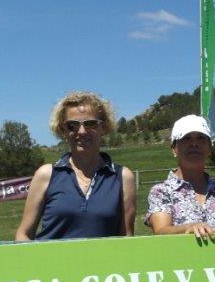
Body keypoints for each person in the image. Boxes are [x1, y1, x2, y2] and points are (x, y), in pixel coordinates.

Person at [15, 91, 135, 240]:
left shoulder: (123, 178)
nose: (82, 131)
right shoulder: (46, 175)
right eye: (72, 125)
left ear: (103, 127)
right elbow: (23, 234)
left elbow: (126, 239)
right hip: (50, 263)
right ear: (63, 130)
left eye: (91, 124)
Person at [146, 115, 215, 241]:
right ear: (174, 149)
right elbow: (161, 231)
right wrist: (189, 227)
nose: (194, 144)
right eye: (186, 138)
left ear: (209, 148)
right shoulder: (161, 192)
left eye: (201, 138)